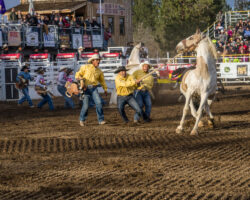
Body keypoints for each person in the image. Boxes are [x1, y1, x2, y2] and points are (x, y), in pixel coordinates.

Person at [75, 54, 107, 126]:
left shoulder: (99, 71)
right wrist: (79, 78)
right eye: (97, 60)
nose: (98, 61)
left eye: (99, 60)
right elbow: (78, 74)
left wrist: (105, 88)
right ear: (93, 61)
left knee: (99, 103)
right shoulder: (85, 67)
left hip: (94, 88)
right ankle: (82, 119)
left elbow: (102, 81)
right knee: (86, 106)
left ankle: (101, 120)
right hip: (85, 89)